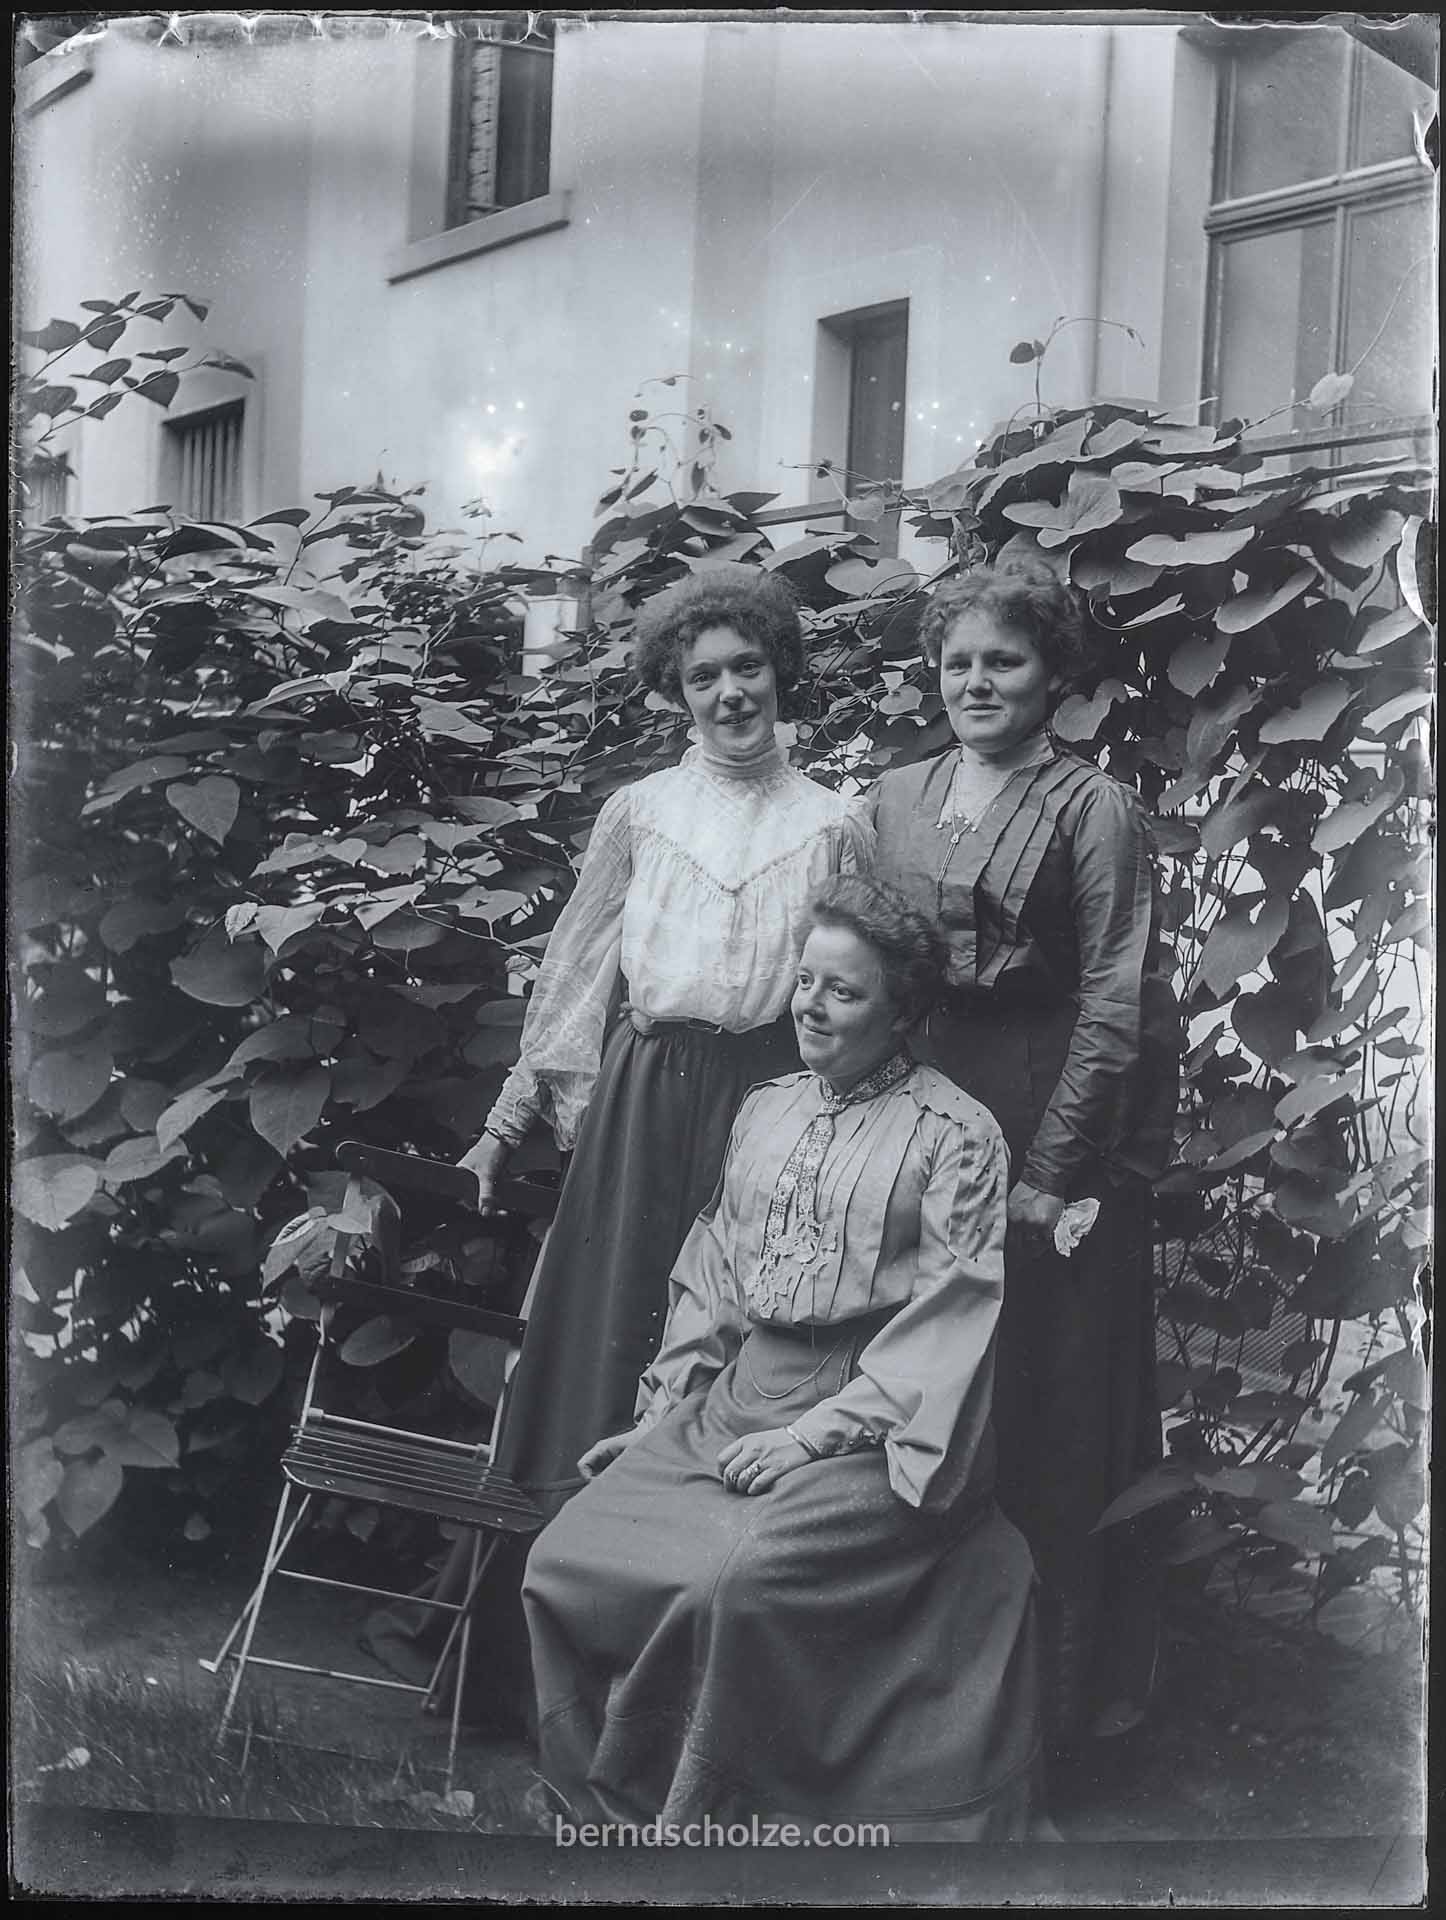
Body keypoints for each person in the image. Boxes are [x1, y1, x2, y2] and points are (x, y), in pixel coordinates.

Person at [364, 566, 867, 1717]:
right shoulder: (641, 812)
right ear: (673, 692)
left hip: (769, 1107)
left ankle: (688, 1679)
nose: (730, 694)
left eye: (747, 668)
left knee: (740, 1358)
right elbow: (578, 980)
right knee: (600, 1351)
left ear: (781, 672)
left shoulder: (836, 823)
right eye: (704, 677)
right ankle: (525, 1667)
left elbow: (855, 991)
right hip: (641, 1109)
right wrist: (507, 1126)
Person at [522, 877, 1041, 1839]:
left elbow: (951, 1317)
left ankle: (714, 1821)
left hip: (876, 1420)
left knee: (735, 1580)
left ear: (903, 1013)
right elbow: (716, 1273)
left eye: (844, 991)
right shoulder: (766, 1108)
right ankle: (605, 1811)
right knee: (567, 1550)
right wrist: (660, 1416)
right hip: (737, 1398)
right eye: (806, 981)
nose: (811, 1006)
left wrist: (810, 1439)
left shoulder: (956, 1135)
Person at [866, 556, 1180, 1754]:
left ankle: (1029, 1716)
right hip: (917, 1110)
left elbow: (1115, 997)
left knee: (1040, 1402)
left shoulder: (1094, 809)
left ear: (1054, 675)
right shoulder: (893, 797)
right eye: (958, 662)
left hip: (1050, 1113)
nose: (977, 682)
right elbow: (861, 957)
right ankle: (896, 1690)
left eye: (1004, 659)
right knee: (915, 1380)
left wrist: (1047, 1173)